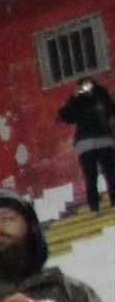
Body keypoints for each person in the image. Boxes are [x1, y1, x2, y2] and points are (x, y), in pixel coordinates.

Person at [65, 76, 115, 212]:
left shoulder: (100, 96)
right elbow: (66, 116)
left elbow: (110, 109)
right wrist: (74, 97)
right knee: (93, 177)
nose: (86, 88)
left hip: (99, 141)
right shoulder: (78, 101)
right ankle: (94, 207)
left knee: (108, 174)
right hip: (90, 143)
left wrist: (97, 93)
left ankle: (99, 207)